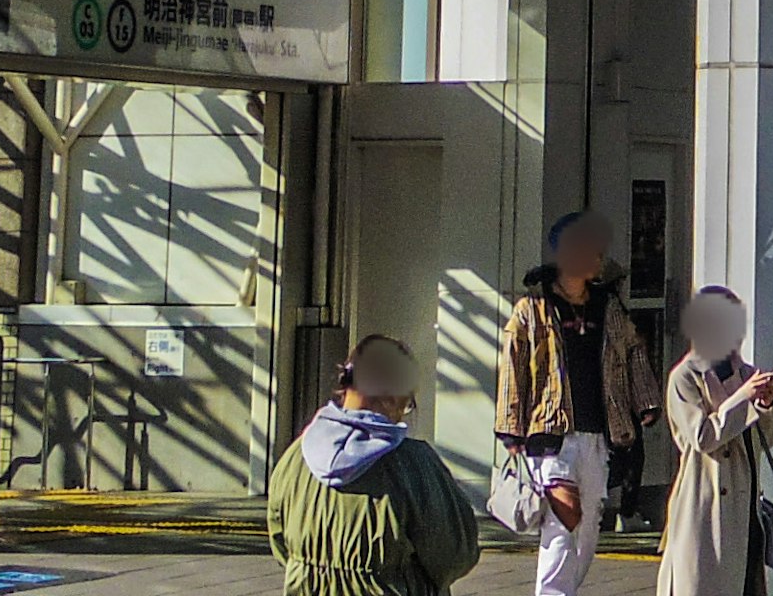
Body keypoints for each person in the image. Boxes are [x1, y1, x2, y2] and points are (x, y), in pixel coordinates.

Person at [494, 213, 655, 596]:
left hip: (598, 428)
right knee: (563, 518)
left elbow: (631, 351)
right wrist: (510, 426)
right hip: (549, 432)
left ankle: (564, 590)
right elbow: (513, 366)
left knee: (589, 524)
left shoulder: (607, 306)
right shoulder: (532, 308)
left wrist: (645, 401)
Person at [271, 335, 480, 596]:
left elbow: (281, 544)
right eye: (408, 402)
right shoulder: (413, 465)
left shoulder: (295, 457)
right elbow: (455, 552)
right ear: (392, 396)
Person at [653, 288, 773, 596]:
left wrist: (765, 404)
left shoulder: (746, 372)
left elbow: (767, 439)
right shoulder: (685, 376)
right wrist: (744, 398)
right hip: (704, 503)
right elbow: (701, 437)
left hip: (744, 506)